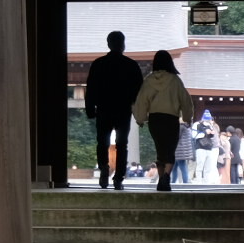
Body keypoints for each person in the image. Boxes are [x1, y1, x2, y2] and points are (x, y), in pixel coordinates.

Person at [82, 30, 144, 191]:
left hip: (104, 109)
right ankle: (118, 179)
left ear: (108, 44)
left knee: (102, 142)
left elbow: (91, 88)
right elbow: (139, 90)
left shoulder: (99, 64)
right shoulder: (130, 65)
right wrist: (137, 108)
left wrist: (90, 107)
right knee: (122, 145)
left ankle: (103, 168)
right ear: (123, 44)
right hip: (123, 110)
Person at [131, 49, 195, 193]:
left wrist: (140, 118)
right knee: (170, 149)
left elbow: (141, 101)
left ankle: (161, 180)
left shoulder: (149, 80)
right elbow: (186, 101)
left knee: (160, 149)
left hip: (155, 119)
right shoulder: (175, 80)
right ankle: (166, 176)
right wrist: (187, 117)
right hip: (171, 118)